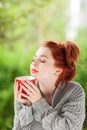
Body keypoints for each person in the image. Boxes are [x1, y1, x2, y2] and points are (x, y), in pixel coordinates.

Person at [12, 40, 85, 130]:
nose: (34, 63)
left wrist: (39, 103)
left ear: (58, 70)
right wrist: (26, 106)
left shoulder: (73, 91)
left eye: (42, 60)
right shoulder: (25, 88)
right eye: (33, 59)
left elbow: (70, 128)